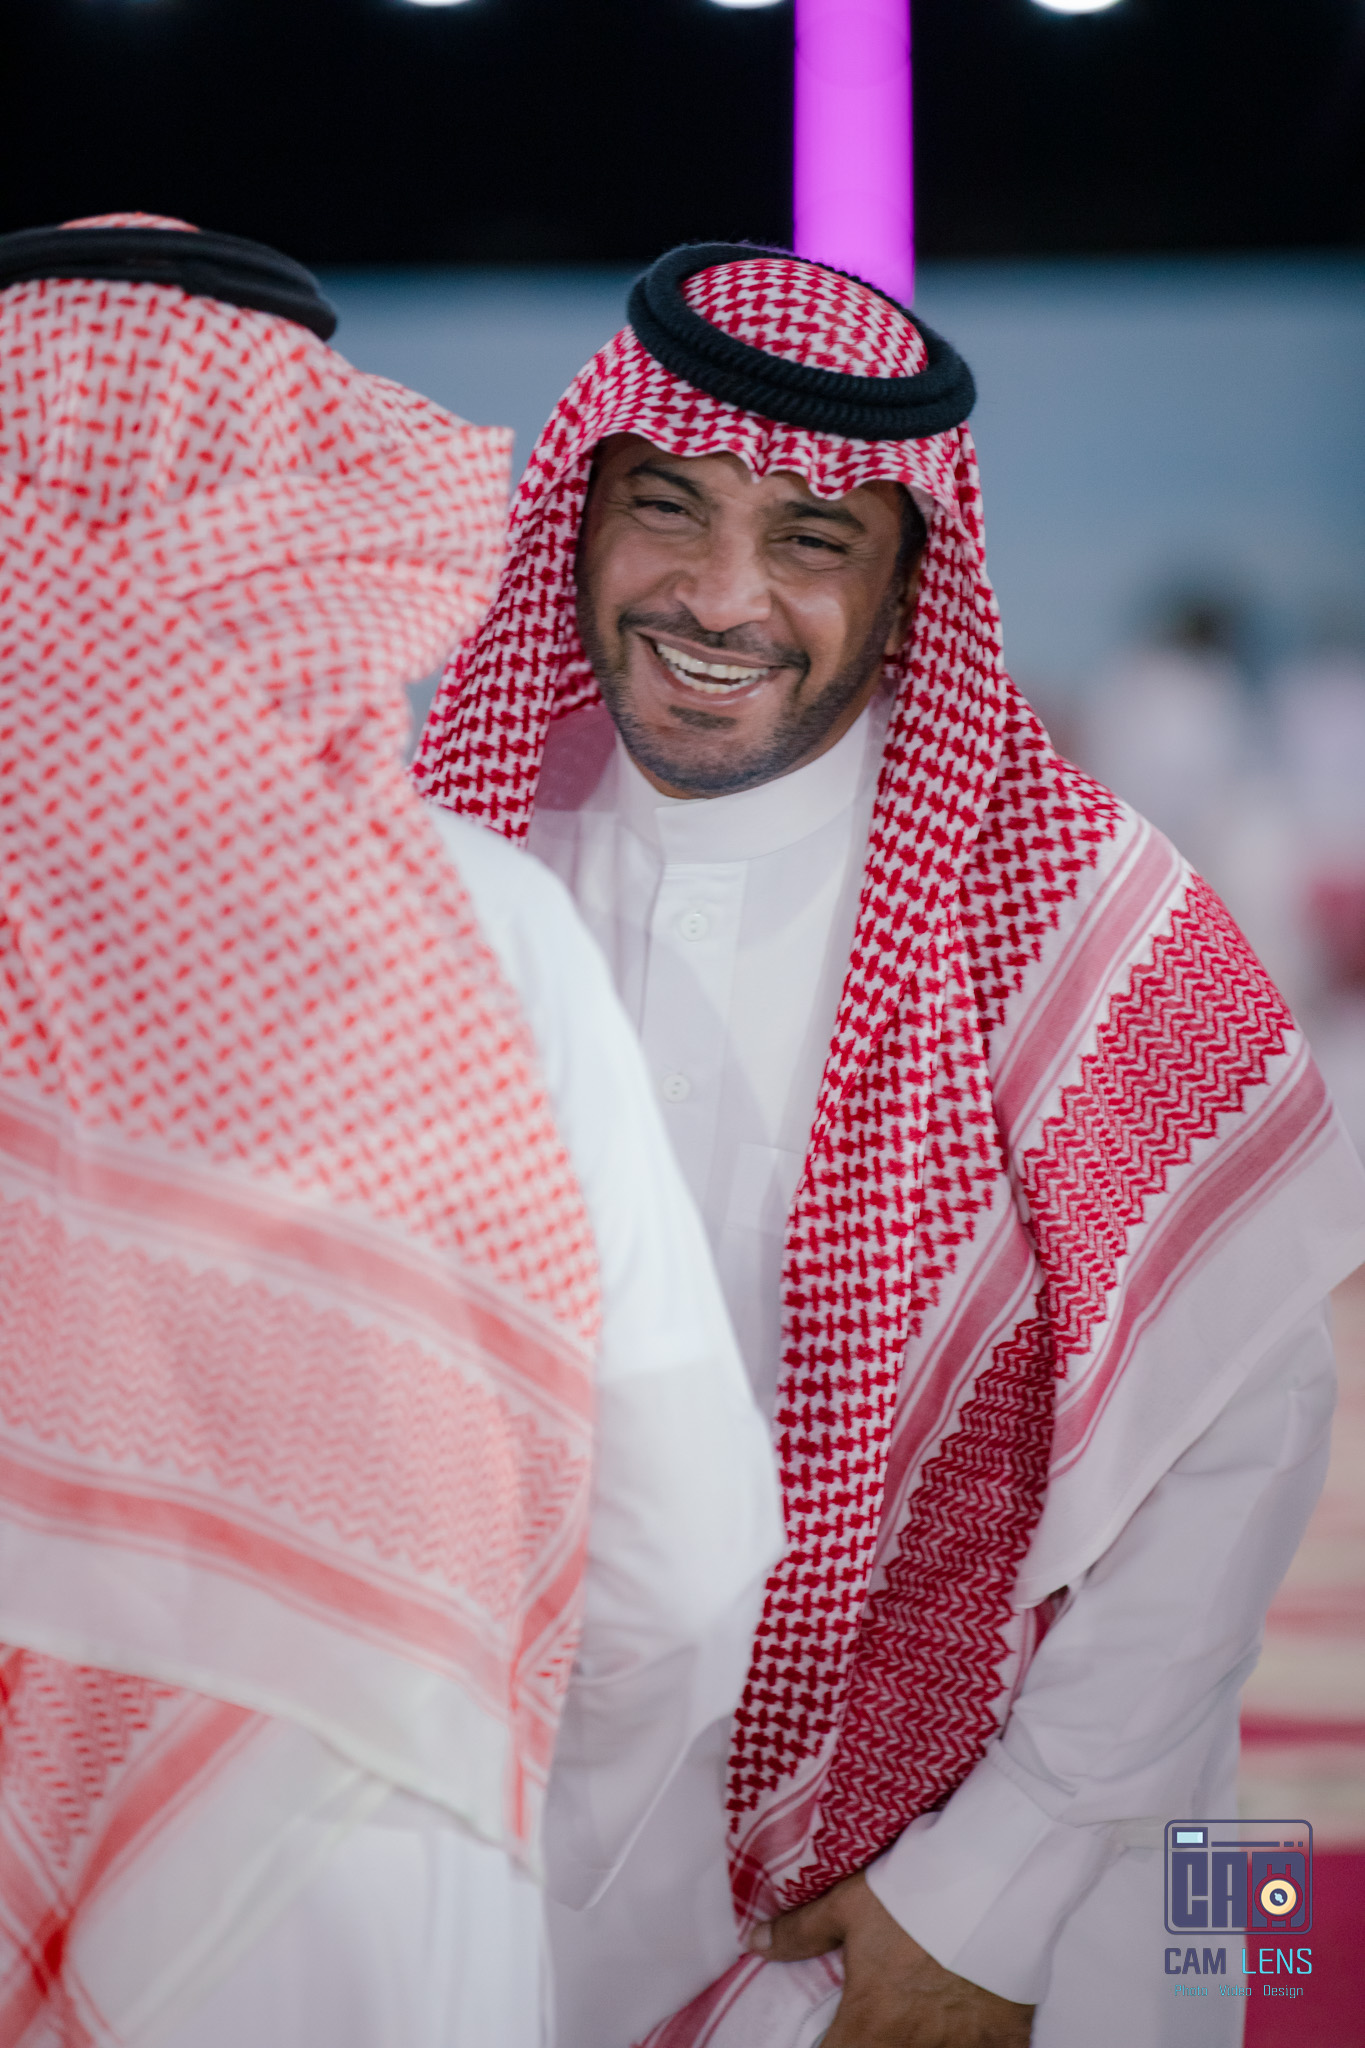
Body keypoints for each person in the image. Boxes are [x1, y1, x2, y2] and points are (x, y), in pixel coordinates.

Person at [415, 244, 1365, 2048]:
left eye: (810, 538)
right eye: (666, 508)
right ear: (579, 512)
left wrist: (984, 1901)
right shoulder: (451, 875)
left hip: (986, 1905)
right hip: (536, 1887)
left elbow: (1233, 1452)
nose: (719, 596)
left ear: (909, 577)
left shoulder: (1087, 924)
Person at [0, 216, 781, 2047]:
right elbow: (682, 1554)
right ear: (312, 517)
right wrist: (457, 1728)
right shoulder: (484, 933)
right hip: (375, 1843)